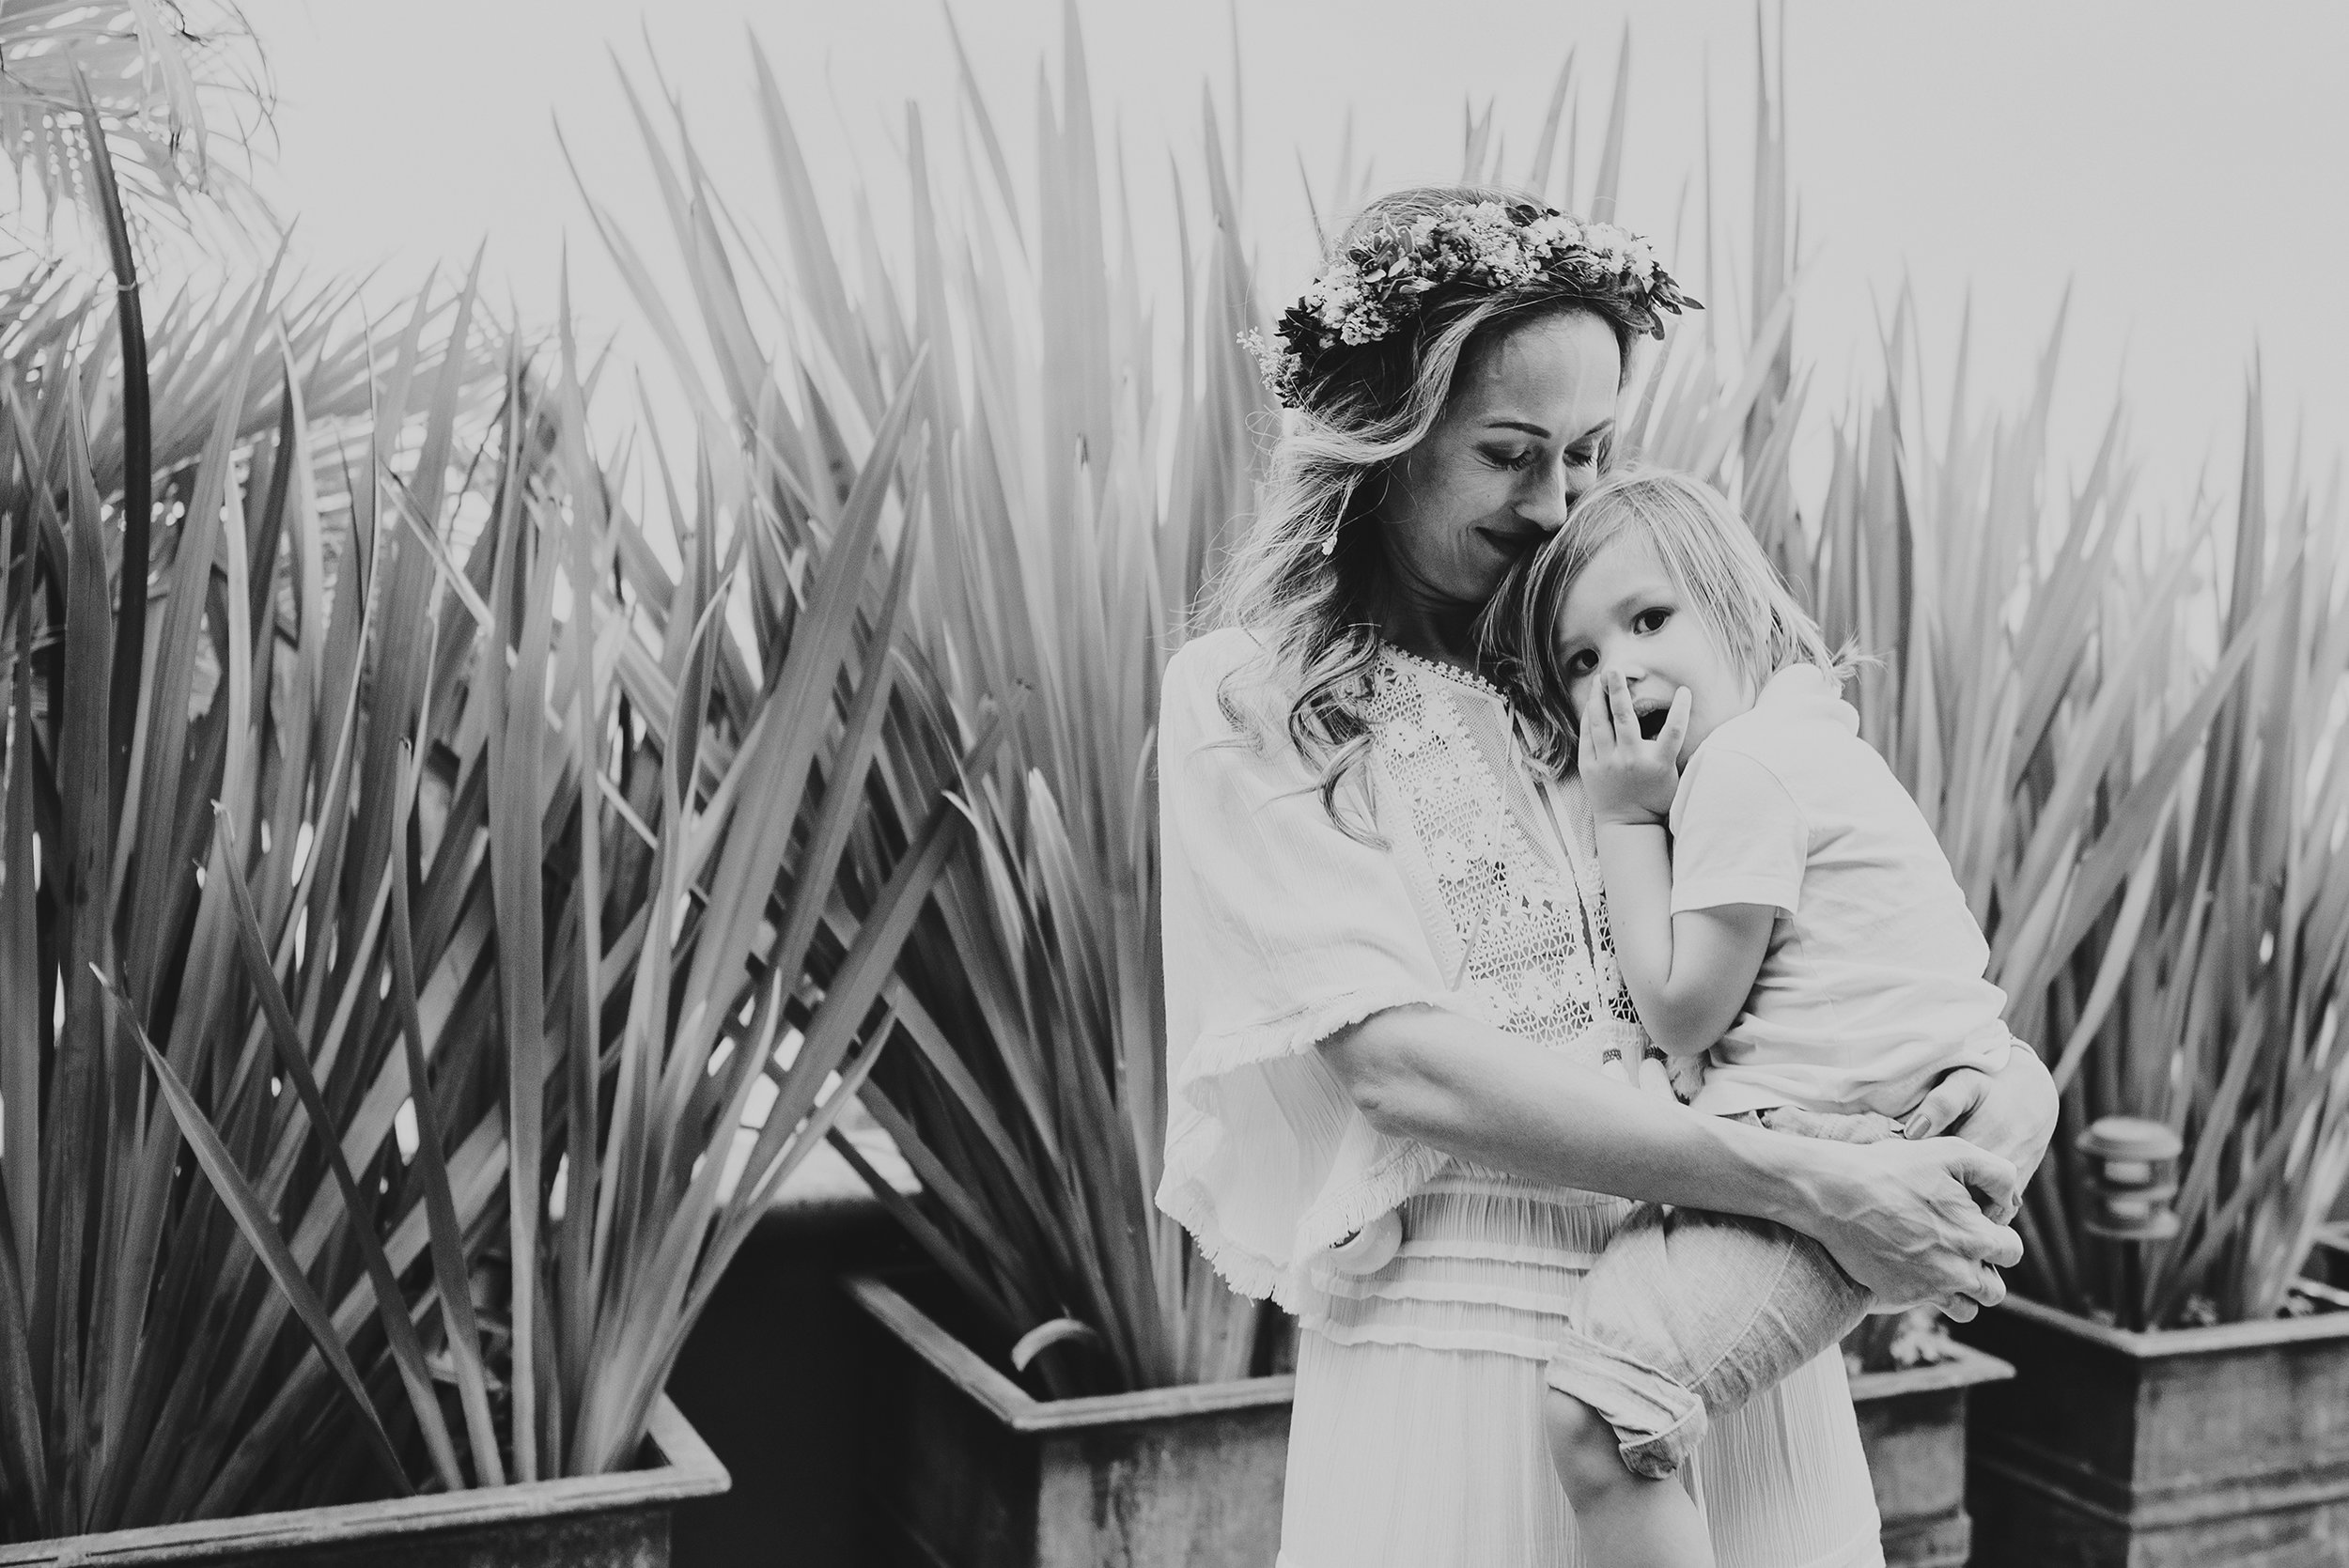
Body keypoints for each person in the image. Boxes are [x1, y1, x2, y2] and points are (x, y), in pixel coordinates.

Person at [1156, 185, 2058, 1568]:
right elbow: (1407, 1072)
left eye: (1589, 451)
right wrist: (1806, 1184)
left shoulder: (1614, 672)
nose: (1558, 503)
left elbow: (1848, 942)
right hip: (1463, 1376)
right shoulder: (1259, 700)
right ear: (1382, 443)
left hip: (1721, 1352)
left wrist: (1991, 1096)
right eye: (1511, 453)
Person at [1483, 466, 2020, 1567]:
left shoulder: (1741, 771)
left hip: (1845, 1140)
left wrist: (1623, 815)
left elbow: (1681, 1011)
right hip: (1911, 1110)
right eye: (1581, 660)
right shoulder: (1814, 744)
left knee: (1597, 1414)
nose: (1617, 668)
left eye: (1648, 619)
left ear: (1735, 605)